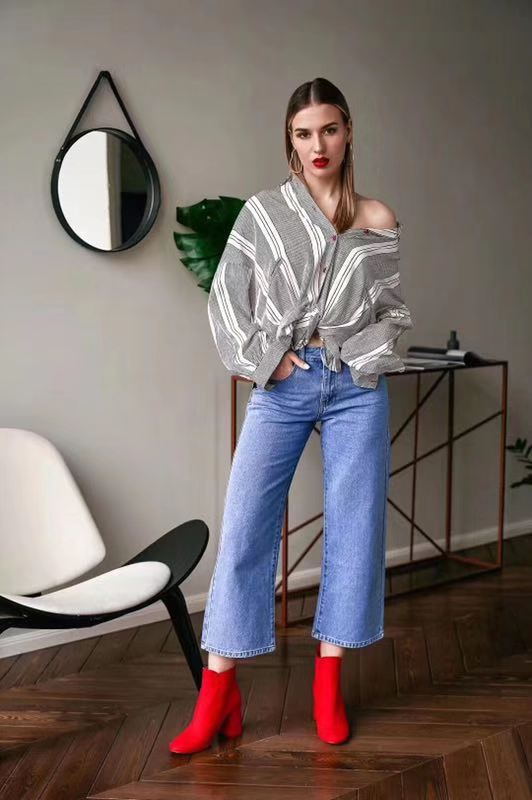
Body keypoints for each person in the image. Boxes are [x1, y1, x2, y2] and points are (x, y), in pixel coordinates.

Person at [169, 77, 413, 754]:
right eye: (303, 134)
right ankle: (219, 691)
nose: (317, 145)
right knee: (246, 524)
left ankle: (328, 686)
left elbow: (390, 312)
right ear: (291, 140)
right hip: (287, 382)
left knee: (356, 527)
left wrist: (362, 356)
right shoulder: (265, 213)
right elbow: (226, 298)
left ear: (349, 131)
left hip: (355, 386)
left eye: (328, 130)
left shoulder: (377, 217)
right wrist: (268, 361)